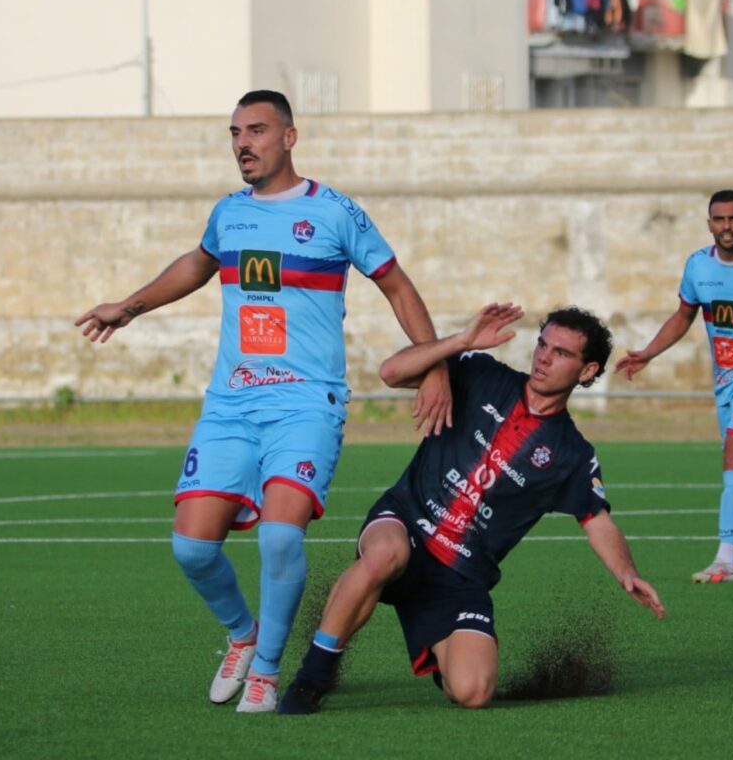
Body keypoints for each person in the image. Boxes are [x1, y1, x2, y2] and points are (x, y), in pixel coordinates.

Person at [74, 89, 451, 713]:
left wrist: (435, 362)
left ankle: (268, 670)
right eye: (234, 133)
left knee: (280, 539)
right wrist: (129, 306)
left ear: (289, 137)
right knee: (192, 548)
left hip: (306, 404)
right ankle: (243, 635)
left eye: (255, 131)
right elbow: (198, 264)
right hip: (231, 404)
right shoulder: (229, 213)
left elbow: (396, 283)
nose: (243, 144)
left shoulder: (334, 212)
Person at [278, 303, 666, 715]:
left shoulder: (572, 453)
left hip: (460, 577)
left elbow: (598, 522)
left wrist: (628, 573)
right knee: (385, 555)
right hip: (406, 522)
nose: (544, 358)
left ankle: (436, 644)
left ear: (587, 371)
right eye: (542, 345)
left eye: (562, 353)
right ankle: (313, 676)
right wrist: (460, 341)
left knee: (474, 692)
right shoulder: (482, 374)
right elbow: (391, 372)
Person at [616, 189, 733, 584]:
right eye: (720, 219)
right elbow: (684, 315)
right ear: (709, 224)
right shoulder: (698, 267)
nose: (727, 227)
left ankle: (725, 556)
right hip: (725, 381)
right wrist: (649, 353)